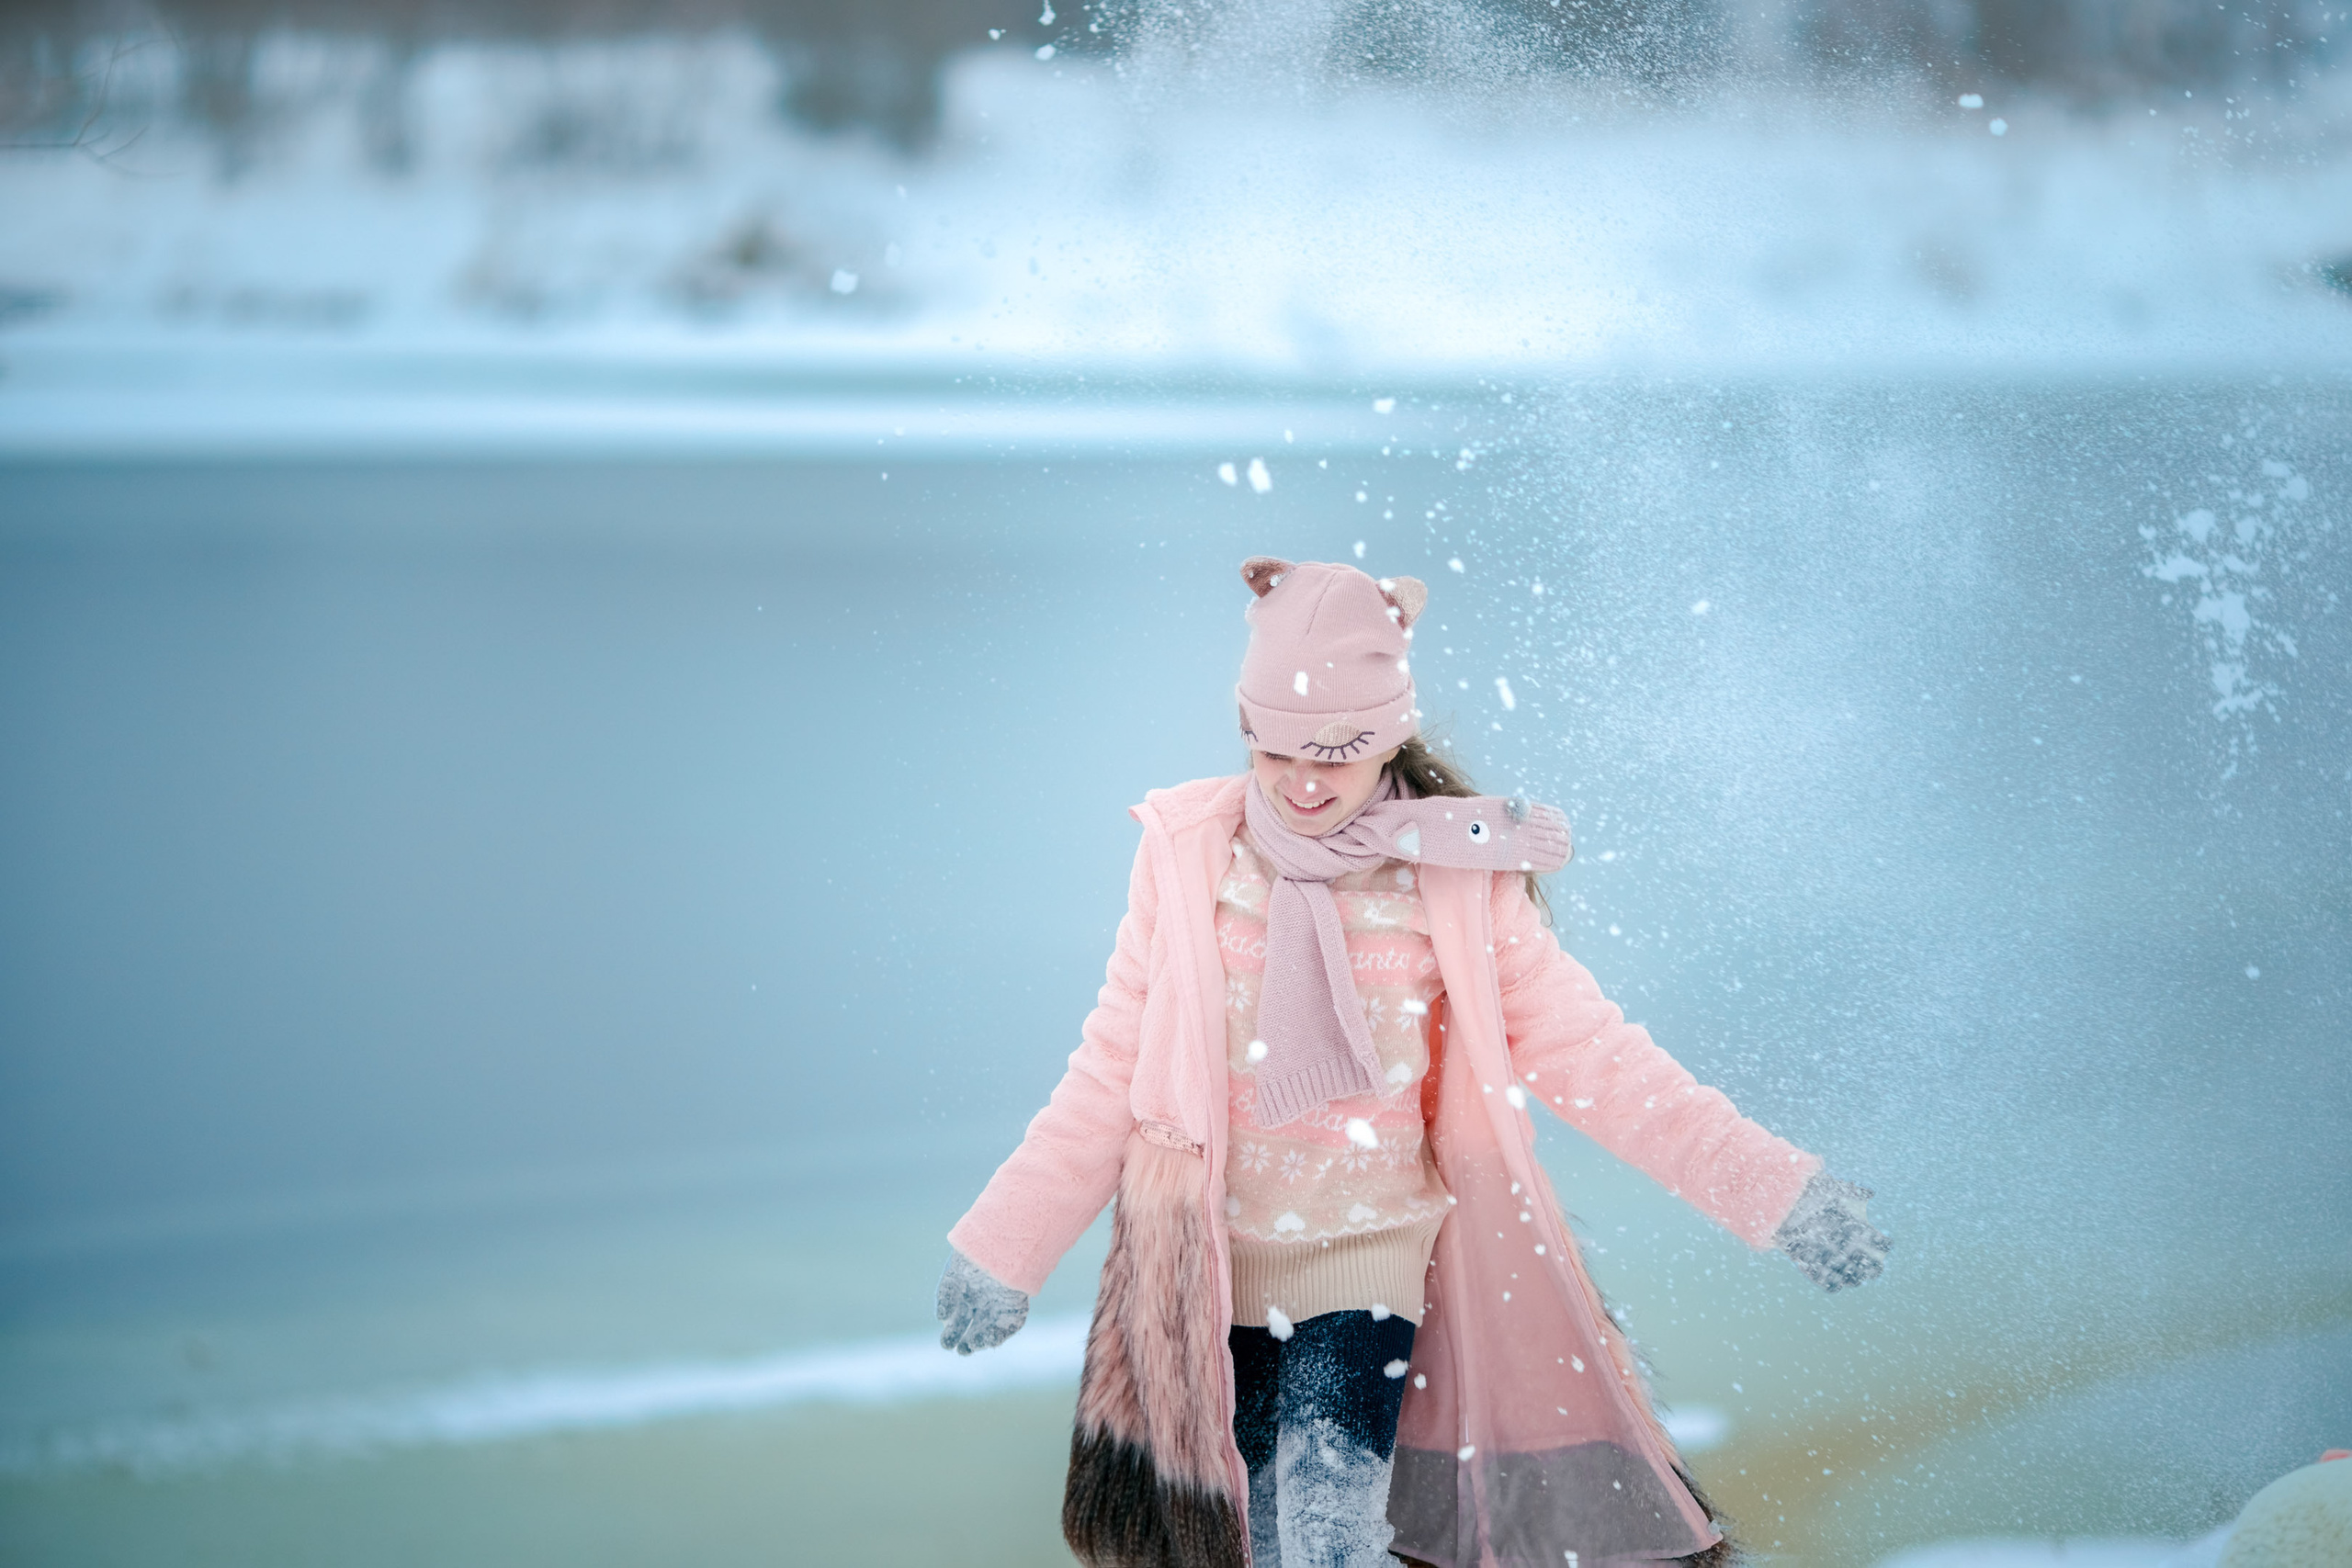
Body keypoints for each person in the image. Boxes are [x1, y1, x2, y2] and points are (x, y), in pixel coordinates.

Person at [936, 557, 1891, 1568]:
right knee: (1250, 1537)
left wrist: (1774, 1191)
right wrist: (1005, 1244)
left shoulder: (1452, 876)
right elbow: (1107, 1073)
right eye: (1275, 753)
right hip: (1209, 1257)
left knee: (1332, 1536)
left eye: (1337, 754)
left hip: (1367, 1252)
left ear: (1388, 734)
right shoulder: (1190, 859)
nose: (1304, 785)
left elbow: (1596, 1057)